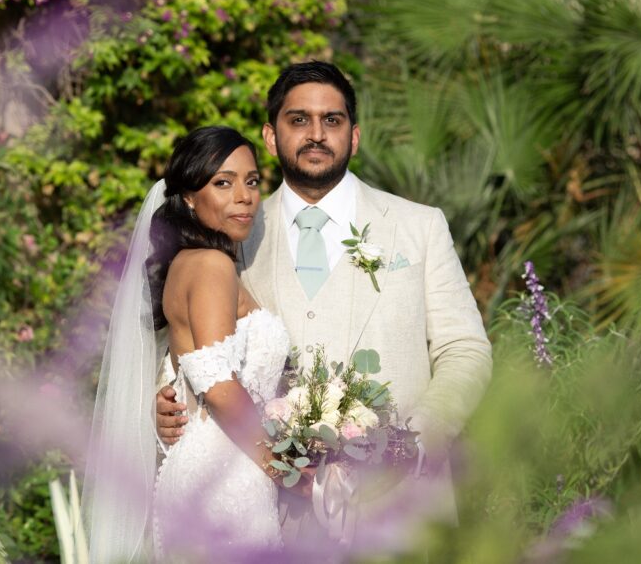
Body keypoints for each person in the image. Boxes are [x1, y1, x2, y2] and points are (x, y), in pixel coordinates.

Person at [156, 61, 493, 550]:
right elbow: (191, 344)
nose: (316, 134)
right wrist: (165, 399)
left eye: (331, 121)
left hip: (397, 506)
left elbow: (465, 350)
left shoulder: (418, 226)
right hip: (272, 513)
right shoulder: (231, 232)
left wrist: (412, 445)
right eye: (299, 120)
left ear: (353, 137)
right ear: (271, 137)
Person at [83, 126, 296, 562]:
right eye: (223, 182)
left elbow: (183, 366)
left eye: (252, 181)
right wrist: (284, 467)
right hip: (227, 474)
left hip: (212, 465)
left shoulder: (188, 263)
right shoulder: (212, 265)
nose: (244, 195)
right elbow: (216, 384)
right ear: (188, 198)